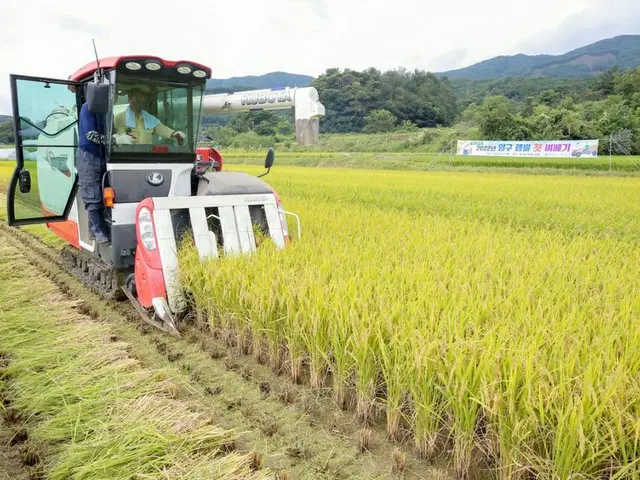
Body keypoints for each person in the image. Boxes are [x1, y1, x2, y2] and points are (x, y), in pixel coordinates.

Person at [77, 99, 110, 244]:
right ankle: (100, 233)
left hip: (104, 155)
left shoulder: (108, 111)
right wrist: (114, 140)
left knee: (103, 194)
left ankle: (93, 231)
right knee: (93, 195)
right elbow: (91, 135)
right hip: (89, 156)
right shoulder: (88, 108)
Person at [112, 88, 185, 145]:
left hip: (148, 157)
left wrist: (174, 133)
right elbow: (114, 137)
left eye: (142, 97)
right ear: (129, 99)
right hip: (125, 159)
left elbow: (161, 128)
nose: (140, 99)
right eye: (137, 97)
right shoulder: (119, 118)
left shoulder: (149, 118)